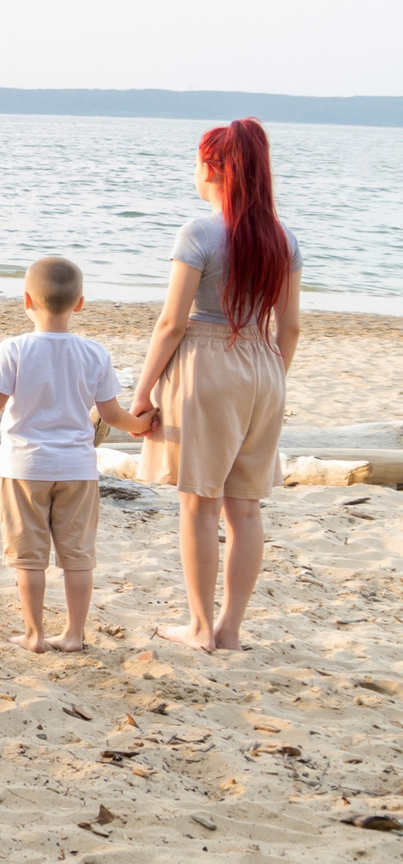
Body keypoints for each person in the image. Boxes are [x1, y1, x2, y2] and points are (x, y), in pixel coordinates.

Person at [129, 119, 302, 653]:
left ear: (213, 169)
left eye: (198, 162)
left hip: (207, 364)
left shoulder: (199, 234)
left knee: (199, 504)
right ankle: (229, 630)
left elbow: (171, 323)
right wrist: (271, 377)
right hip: (265, 366)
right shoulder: (283, 238)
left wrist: (142, 392)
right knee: (245, 508)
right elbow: (290, 327)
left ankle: (201, 627)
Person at [0, 257, 154, 654]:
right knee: (78, 557)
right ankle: (73, 634)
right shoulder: (95, 353)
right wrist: (142, 425)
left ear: (26, 300)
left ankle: (34, 634)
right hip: (78, 469)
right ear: (80, 303)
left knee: (29, 557)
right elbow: (111, 415)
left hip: (24, 467)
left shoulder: (14, 349)